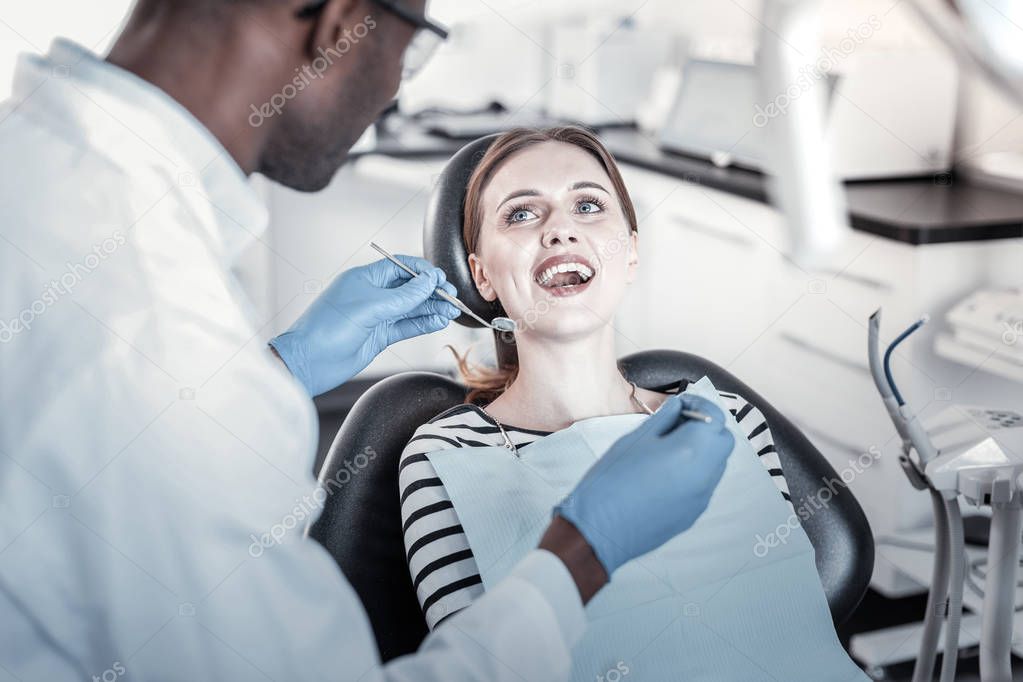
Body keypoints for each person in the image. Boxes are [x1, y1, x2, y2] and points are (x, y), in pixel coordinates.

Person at [0, 2, 735, 681]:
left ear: (632, 249)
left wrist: (279, 370)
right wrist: (582, 555)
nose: (390, 91)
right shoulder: (149, 313)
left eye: (586, 204)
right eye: (407, 53)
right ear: (340, 23)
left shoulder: (41, 177)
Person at [399, 125, 794, 629]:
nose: (561, 229)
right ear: (482, 276)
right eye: (521, 213)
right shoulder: (447, 453)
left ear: (630, 252)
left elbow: (789, 618)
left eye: (587, 206)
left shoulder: (727, 419)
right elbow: (475, 661)